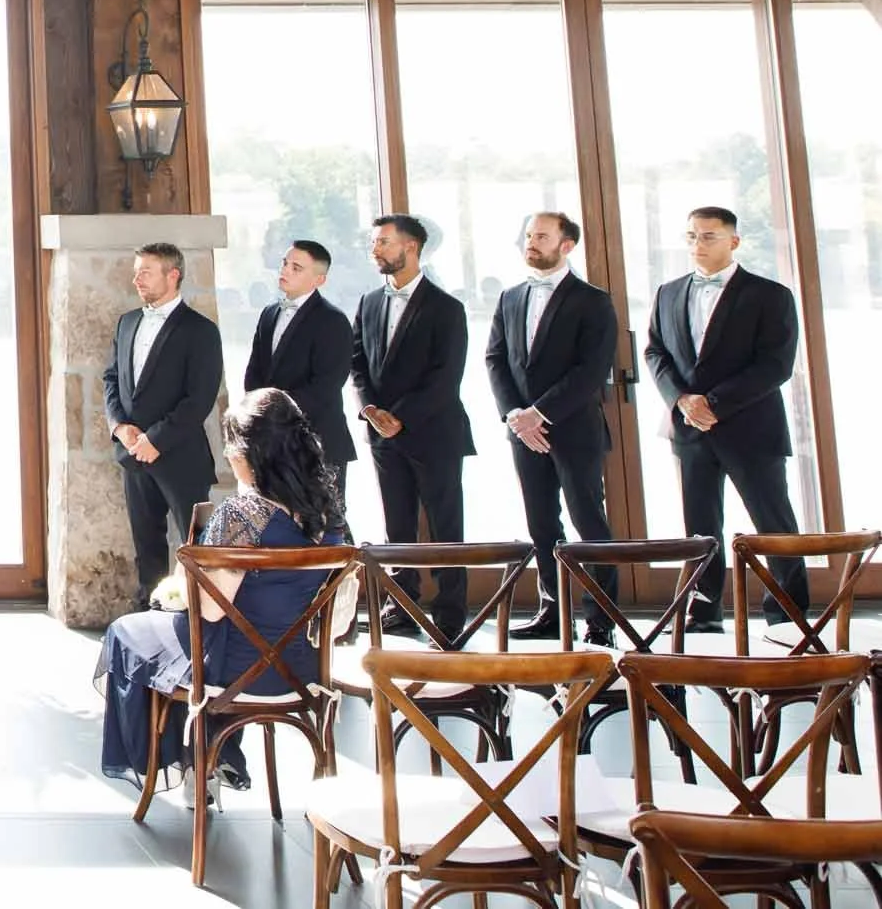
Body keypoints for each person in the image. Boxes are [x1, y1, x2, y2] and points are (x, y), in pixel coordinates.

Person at [97, 389, 351, 789]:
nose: (229, 455)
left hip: (233, 673)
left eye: (232, 444)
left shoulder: (241, 515)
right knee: (219, 636)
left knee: (129, 634)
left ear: (252, 452)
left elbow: (210, 610)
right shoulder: (331, 516)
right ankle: (219, 755)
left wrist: (174, 593)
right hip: (302, 671)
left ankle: (191, 765)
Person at [643, 205, 812, 631]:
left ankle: (788, 618)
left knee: (774, 525)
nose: (698, 244)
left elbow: (775, 365)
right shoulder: (668, 292)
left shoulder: (770, 295)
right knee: (701, 529)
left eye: (708, 236)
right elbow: (655, 353)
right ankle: (703, 617)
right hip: (690, 432)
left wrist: (713, 404)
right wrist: (682, 400)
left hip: (751, 430)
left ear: (733, 241)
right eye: (691, 236)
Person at [485, 211, 618, 641]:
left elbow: (591, 370)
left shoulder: (593, 300)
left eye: (541, 236)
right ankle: (552, 612)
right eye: (528, 235)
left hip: (574, 428)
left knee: (589, 524)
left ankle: (601, 621)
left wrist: (538, 413)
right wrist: (514, 416)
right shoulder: (509, 297)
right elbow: (495, 360)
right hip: (524, 433)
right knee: (541, 523)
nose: (531, 242)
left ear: (566, 245)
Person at [351, 214, 473, 641]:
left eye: (384, 242)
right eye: (374, 242)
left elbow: (446, 376)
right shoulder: (368, 303)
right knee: (396, 523)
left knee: (445, 524)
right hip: (382, 436)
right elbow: (358, 363)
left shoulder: (447, 308)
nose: (375, 250)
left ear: (411, 248)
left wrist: (399, 415)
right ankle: (401, 605)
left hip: (434, 432)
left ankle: (452, 610)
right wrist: (369, 409)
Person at [103, 243, 225, 613]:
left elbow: (200, 398)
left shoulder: (200, 330)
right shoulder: (127, 322)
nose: (136, 278)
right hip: (132, 454)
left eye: (146, 271)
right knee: (146, 546)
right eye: (137, 270)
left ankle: (198, 621)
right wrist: (119, 426)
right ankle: (145, 619)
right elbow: (111, 379)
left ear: (173, 275)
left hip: (181, 456)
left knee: (194, 544)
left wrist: (155, 440)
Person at [244, 241, 357, 495]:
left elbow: (326, 386)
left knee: (325, 526)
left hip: (317, 441)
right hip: (271, 442)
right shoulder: (269, 313)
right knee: (278, 524)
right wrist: (257, 414)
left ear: (319, 280)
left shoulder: (333, 320)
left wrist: (275, 412)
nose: (285, 271)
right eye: (285, 263)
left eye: (296, 267)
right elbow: (254, 371)